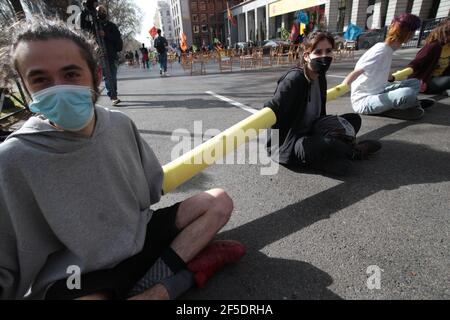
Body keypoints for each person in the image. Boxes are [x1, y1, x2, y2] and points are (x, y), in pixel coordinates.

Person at [0, 18, 245, 300]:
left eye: (71, 74)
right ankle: (175, 281)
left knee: (219, 202)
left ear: (97, 76)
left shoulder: (119, 124)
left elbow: (152, 188)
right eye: (41, 80)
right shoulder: (12, 160)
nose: (59, 89)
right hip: (79, 272)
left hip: (140, 235)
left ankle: (160, 279)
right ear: (25, 88)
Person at [264, 31, 381, 176]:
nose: (324, 56)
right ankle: (350, 151)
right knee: (341, 162)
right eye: (318, 52)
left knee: (353, 119)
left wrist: (329, 129)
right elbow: (272, 109)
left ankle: (336, 150)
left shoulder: (320, 76)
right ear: (307, 56)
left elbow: (321, 114)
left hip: (312, 129)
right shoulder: (293, 80)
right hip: (290, 142)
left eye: (328, 51)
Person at [343, 13, 434, 120]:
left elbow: (379, 70)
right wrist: (343, 86)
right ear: (408, 33)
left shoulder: (387, 49)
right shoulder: (381, 51)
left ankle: (405, 104)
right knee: (407, 93)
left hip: (379, 91)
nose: (414, 35)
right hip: (363, 101)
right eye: (413, 32)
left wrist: (392, 78)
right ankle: (404, 106)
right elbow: (357, 72)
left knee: (415, 83)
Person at [408, 21, 450, 95]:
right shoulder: (433, 46)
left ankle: (442, 89)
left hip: (440, 78)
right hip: (425, 81)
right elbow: (416, 63)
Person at [95, 5, 123, 106]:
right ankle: (113, 96)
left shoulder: (112, 26)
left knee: (113, 76)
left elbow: (117, 39)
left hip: (112, 55)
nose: (100, 13)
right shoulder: (95, 26)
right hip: (101, 56)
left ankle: (114, 93)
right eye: (98, 11)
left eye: (102, 11)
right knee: (108, 77)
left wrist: (105, 34)